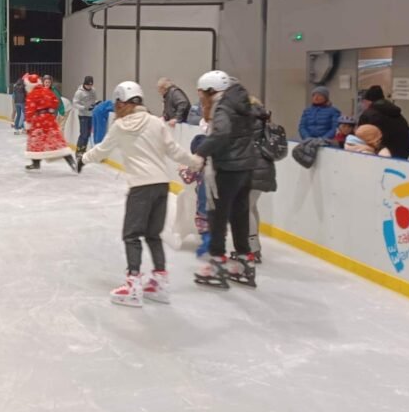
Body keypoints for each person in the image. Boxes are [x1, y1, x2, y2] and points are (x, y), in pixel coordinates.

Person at [79, 81, 203, 307]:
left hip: (140, 187)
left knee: (131, 235)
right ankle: (160, 283)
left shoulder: (120, 126)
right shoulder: (156, 122)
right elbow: (174, 150)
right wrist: (194, 161)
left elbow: (102, 150)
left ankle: (133, 285)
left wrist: (83, 159)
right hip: (162, 186)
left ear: (119, 102)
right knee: (153, 235)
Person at [192, 71, 259, 289]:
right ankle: (244, 261)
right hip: (246, 167)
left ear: (211, 90)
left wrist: (201, 153)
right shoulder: (241, 103)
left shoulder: (222, 106)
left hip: (227, 168)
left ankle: (217, 263)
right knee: (239, 214)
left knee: (217, 216)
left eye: (202, 93)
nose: (201, 98)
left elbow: (221, 133)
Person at [23, 74, 77, 172]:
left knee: (35, 142)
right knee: (57, 142)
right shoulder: (46, 91)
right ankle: (71, 162)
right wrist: (50, 110)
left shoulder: (31, 95)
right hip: (49, 120)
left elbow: (29, 111)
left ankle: (36, 163)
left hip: (38, 122)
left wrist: (28, 125)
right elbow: (55, 101)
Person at [249, 97, 277, 263]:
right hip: (264, 167)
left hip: (252, 167)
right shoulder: (263, 119)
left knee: (246, 208)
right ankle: (253, 244)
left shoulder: (249, 120)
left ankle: (253, 247)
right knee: (252, 207)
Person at [358, 85, 409, 159]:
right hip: (402, 157)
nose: (363, 105)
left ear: (368, 101)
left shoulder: (368, 115)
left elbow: (361, 137)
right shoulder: (398, 115)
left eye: (363, 102)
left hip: (379, 157)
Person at [72, 76, 97, 154]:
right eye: (88, 85)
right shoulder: (79, 92)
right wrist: (84, 107)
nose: (89, 87)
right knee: (84, 134)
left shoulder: (93, 90)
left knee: (88, 134)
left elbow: (94, 100)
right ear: (84, 84)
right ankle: (79, 151)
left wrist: (95, 105)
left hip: (91, 115)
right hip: (83, 115)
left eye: (91, 85)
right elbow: (75, 103)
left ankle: (83, 149)